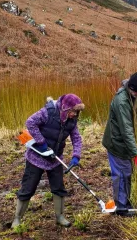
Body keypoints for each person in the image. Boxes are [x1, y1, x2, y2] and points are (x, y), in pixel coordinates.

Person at [11, 94, 85, 228]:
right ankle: (17, 218)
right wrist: (41, 142)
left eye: (77, 112)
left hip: (55, 159)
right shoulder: (48, 112)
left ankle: (60, 217)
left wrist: (76, 156)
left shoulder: (72, 121)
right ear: (65, 108)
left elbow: (76, 138)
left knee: (59, 188)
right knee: (28, 188)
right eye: (73, 111)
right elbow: (30, 122)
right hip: (36, 157)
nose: (75, 114)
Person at [102, 72, 137, 216]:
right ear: (130, 88)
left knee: (127, 172)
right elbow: (126, 130)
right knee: (121, 174)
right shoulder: (121, 101)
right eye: (135, 92)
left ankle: (125, 201)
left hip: (127, 143)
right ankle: (121, 206)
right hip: (117, 143)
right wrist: (136, 154)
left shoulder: (136, 96)